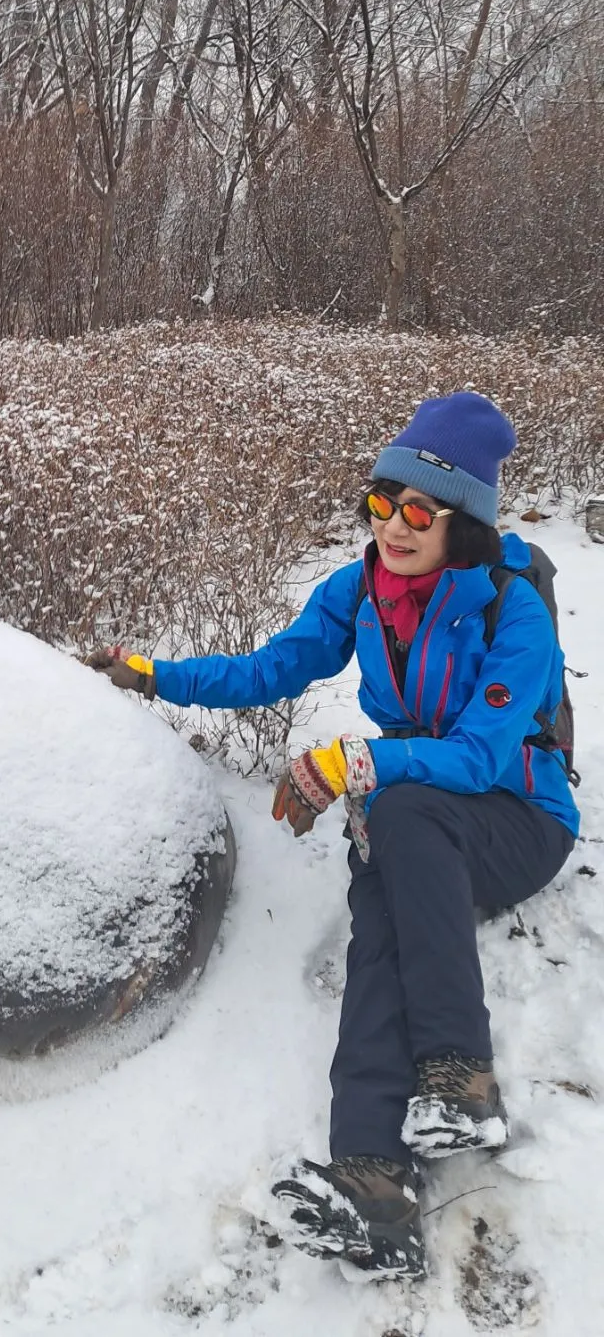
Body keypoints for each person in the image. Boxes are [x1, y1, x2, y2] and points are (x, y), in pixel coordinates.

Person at [86, 393, 578, 1279]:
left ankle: (462, 1077)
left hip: (517, 818)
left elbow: (477, 758)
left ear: (463, 523)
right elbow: (271, 668)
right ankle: (372, 1184)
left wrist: (354, 763)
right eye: (383, 502)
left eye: (419, 512)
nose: (392, 526)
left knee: (401, 813)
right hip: (412, 821)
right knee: (379, 924)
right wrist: (155, 676)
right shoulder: (362, 591)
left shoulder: (514, 614)